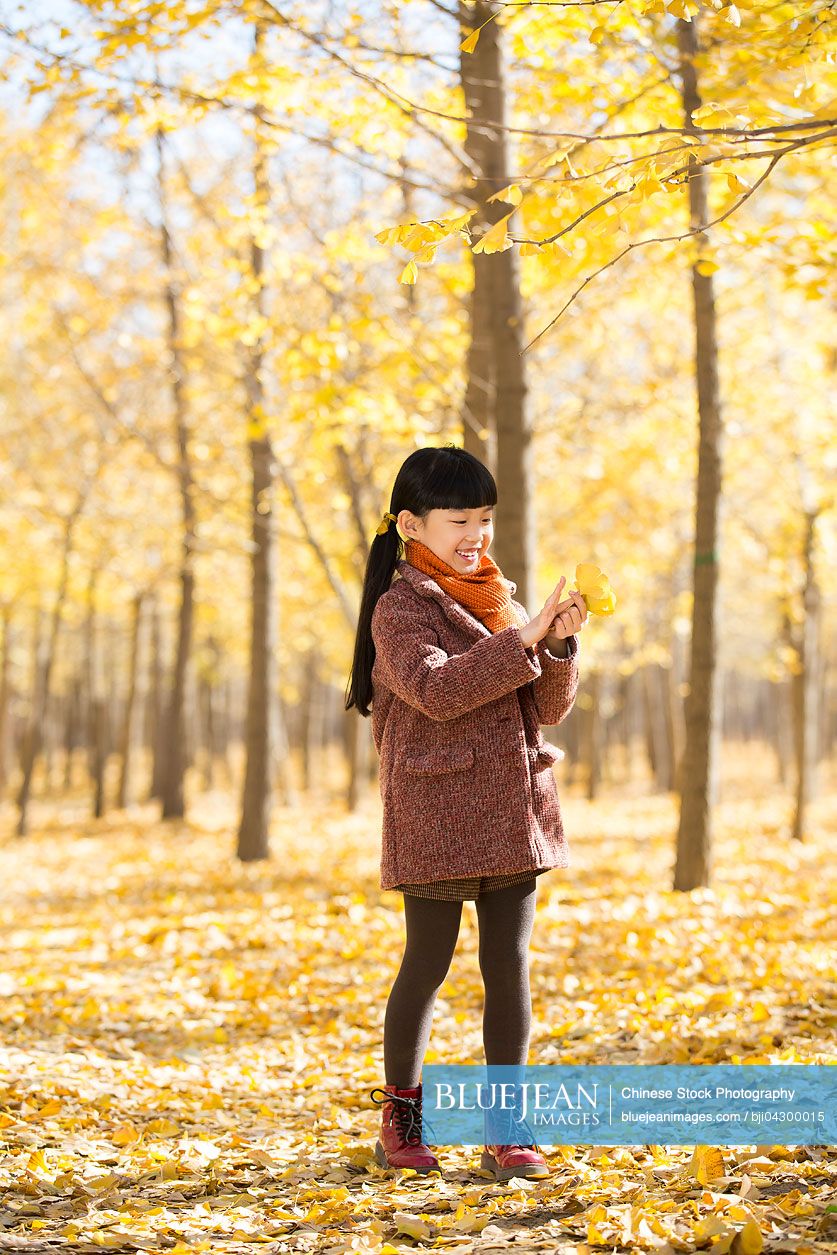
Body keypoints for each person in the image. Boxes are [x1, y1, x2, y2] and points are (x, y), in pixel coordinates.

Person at [345, 444, 587, 1181]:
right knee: (426, 964)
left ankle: (506, 1130)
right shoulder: (399, 608)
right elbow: (438, 689)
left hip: (514, 809)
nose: (475, 532)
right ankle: (402, 1119)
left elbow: (544, 708)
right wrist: (521, 637)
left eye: (483, 517)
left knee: (507, 967)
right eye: (459, 519)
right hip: (436, 813)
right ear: (412, 524)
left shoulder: (500, 599)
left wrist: (559, 643)